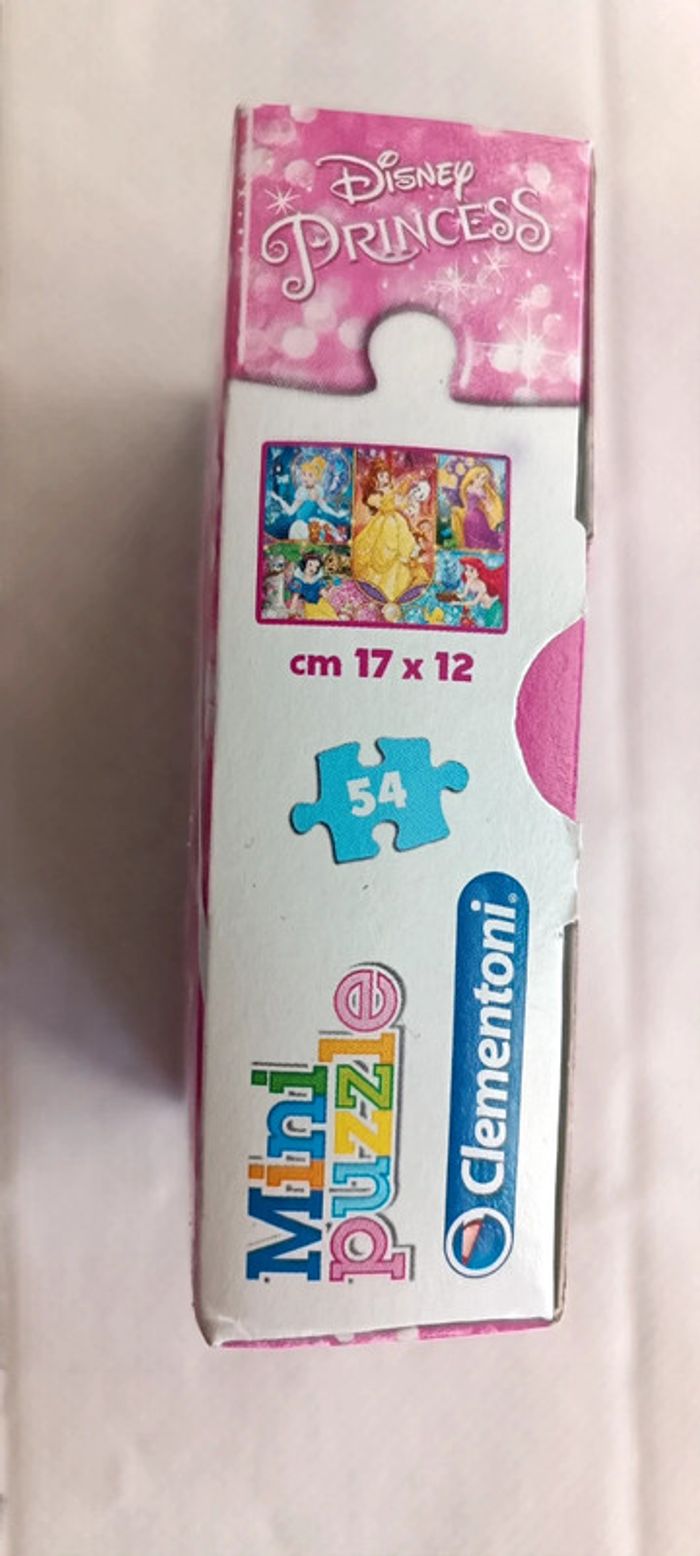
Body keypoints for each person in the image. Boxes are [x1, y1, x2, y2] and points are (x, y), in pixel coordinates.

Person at [267, 455, 348, 541]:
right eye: (304, 474)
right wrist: (279, 499)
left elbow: (325, 507)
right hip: (301, 526)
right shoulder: (302, 492)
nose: (305, 478)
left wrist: (337, 514)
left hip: (315, 524)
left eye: (310, 475)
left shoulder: (318, 491)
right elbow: (291, 511)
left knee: (328, 533)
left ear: (316, 478)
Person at [451, 463, 505, 551]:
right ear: (475, 477)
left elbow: (487, 503)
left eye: (485, 479)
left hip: (479, 516)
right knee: (473, 538)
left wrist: (491, 508)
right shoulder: (470, 488)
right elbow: (465, 497)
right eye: (482, 478)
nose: (483, 481)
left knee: (484, 536)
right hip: (470, 517)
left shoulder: (480, 490)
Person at [288, 552, 338, 620]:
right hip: (309, 606)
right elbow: (295, 597)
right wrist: (292, 609)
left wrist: (331, 597)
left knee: (332, 618)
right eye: (310, 565)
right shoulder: (298, 581)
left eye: (316, 567)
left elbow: (324, 594)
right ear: (304, 564)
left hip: (322, 603)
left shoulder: (318, 581)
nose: (312, 568)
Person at [460, 557, 505, 629]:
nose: (467, 573)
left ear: (478, 573)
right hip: (483, 608)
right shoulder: (469, 581)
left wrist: (458, 603)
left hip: (493, 607)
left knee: (490, 626)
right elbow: (464, 594)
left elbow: (474, 602)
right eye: (466, 569)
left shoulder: (482, 585)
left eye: (471, 570)